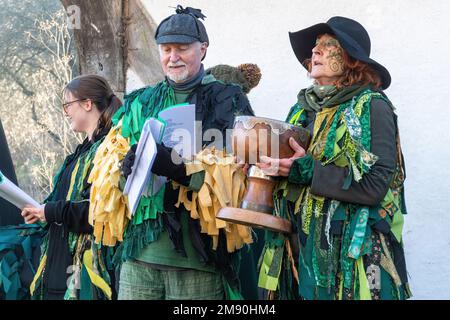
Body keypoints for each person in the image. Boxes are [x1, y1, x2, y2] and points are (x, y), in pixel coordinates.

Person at [256, 16, 410, 300]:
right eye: (315, 47)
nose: (315, 51)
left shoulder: (372, 106)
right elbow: (292, 173)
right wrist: (264, 166)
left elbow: (375, 186)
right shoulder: (301, 110)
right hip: (303, 258)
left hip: (355, 258)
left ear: (351, 59)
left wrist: (306, 171)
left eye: (328, 46)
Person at [109, 5, 255, 300]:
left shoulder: (228, 99)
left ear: (203, 49)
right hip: (138, 259)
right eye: (166, 49)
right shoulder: (139, 102)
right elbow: (109, 172)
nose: (173, 57)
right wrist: (124, 170)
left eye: (182, 48)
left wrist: (175, 167)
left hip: (199, 262)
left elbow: (239, 175)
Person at [20, 74, 122, 300]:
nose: (65, 111)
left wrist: (51, 211)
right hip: (60, 266)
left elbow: (96, 212)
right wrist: (41, 212)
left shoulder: (109, 149)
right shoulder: (81, 152)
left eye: (67, 104)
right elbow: (66, 201)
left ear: (87, 104)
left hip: (85, 273)